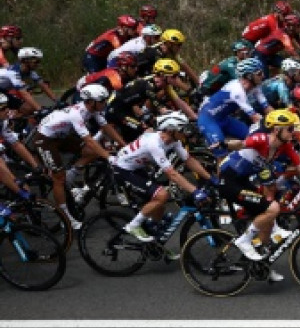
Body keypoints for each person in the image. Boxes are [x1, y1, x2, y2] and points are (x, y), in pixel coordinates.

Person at [218, 109, 300, 268]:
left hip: (242, 180)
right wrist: (225, 144)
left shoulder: (284, 146)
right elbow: (241, 143)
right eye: (289, 129)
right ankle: (244, 241)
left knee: (268, 217)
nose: (293, 132)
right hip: (228, 180)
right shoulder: (262, 139)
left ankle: (262, 265)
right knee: (273, 208)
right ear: (277, 130)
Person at [111, 112, 214, 244]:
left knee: (159, 205)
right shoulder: (155, 143)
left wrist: (210, 178)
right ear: (171, 130)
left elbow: (188, 160)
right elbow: (172, 174)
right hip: (122, 170)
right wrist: (195, 191)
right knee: (162, 195)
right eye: (182, 130)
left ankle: (155, 241)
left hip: (137, 169)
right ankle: (133, 226)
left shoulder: (174, 141)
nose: (186, 133)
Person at [31, 84, 122, 228]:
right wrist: (108, 156)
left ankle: (71, 175)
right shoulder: (77, 113)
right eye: (103, 100)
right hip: (44, 139)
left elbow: (106, 127)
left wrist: (124, 144)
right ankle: (65, 217)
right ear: (92, 102)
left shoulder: (93, 110)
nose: (105, 103)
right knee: (58, 177)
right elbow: (89, 140)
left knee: (91, 153)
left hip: (60, 136)